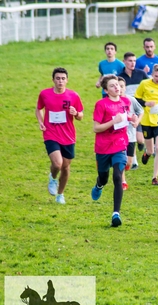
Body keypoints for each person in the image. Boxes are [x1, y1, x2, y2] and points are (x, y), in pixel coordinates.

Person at [91, 75, 138, 227]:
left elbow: (127, 117)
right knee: (104, 178)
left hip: (120, 144)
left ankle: (115, 214)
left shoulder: (126, 101)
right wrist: (113, 122)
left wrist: (133, 119)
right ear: (105, 90)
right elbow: (96, 128)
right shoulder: (101, 104)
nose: (116, 87)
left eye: (117, 84)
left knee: (118, 176)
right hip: (103, 147)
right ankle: (99, 185)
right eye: (112, 86)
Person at [35, 67, 84, 205]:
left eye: (63, 78)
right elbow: (38, 108)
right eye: (58, 78)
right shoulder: (45, 94)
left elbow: (81, 116)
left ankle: (60, 194)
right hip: (50, 133)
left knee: (66, 168)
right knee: (57, 163)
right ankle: (53, 177)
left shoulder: (73, 96)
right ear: (53, 80)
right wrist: (40, 122)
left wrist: (76, 114)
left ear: (67, 80)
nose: (60, 81)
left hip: (68, 136)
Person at [135, 64, 158, 186]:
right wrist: (146, 103)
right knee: (151, 149)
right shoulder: (144, 84)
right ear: (152, 74)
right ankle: (147, 154)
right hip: (146, 120)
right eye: (156, 76)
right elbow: (136, 99)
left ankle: (155, 178)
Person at [119, 52, 147, 166]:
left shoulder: (141, 74)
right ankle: (133, 160)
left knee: (140, 139)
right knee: (131, 134)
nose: (132, 63)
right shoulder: (120, 77)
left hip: (138, 107)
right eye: (130, 61)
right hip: (125, 110)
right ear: (124, 61)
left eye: (134, 61)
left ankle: (141, 145)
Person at [118, 77, 143, 191]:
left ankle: (123, 169)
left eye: (122, 86)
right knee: (121, 160)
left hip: (131, 135)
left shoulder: (130, 100)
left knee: (129, 161)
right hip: (118, 136)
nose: (119, 89)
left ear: (125, 87)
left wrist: (137, 121)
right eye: (117, 86)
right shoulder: (112, 102)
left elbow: (141, 111)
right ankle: (123, 181)